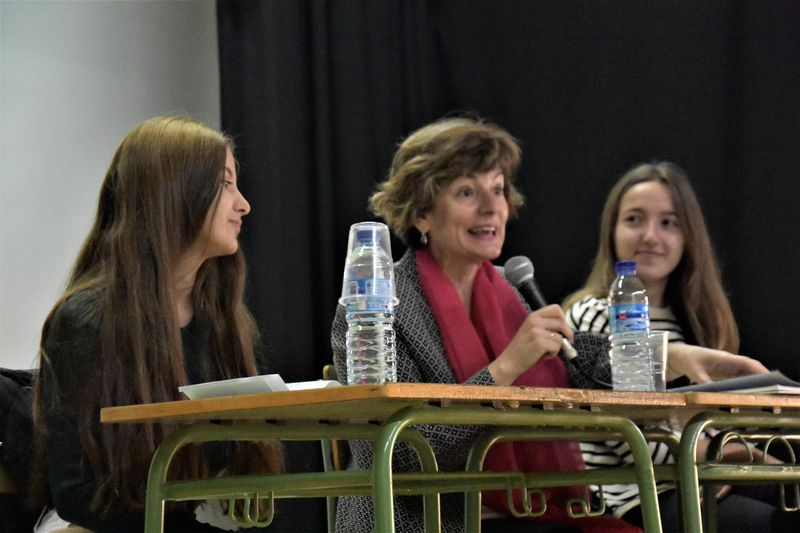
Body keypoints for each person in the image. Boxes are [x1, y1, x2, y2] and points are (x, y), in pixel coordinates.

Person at [331, 117, 639, 533]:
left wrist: (674, 356)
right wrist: (506, 366)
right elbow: (404, 454)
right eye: (466, 192)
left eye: (497, 190)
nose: (491, 207)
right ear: (421, 213)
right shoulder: (380, 308)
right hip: (422, 520)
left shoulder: (509, 294)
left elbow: (577, 361)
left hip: (529, 515)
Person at [31, 116, 283, 532]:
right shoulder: (86, 321)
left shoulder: (224, 322)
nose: (243, 204)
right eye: (225, 184)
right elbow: (78, 494)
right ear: (176, 193)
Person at [563, 161, 795, 532]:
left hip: (696, 474)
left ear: (690, 237)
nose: (651, 236)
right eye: (635, 220)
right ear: (612, 231)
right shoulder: (594, 314)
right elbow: (627, 430)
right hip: (633, 495)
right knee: (766, 522)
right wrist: (728, 456)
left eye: (669, 223)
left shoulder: (691, 321)